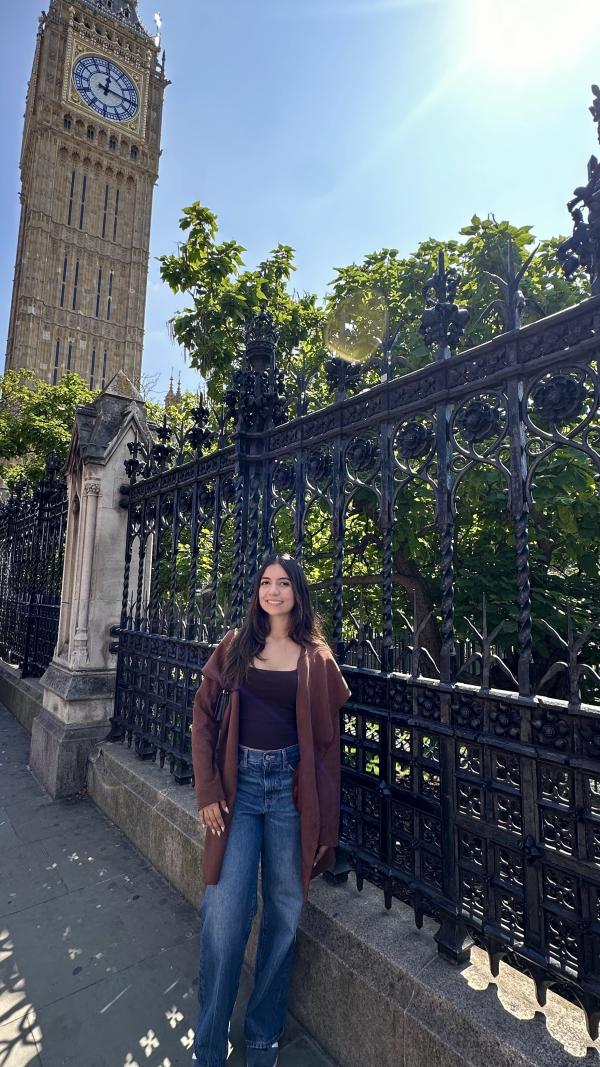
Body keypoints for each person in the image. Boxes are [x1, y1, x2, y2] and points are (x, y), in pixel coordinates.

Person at [191, 553, 351, 1067]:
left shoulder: (315, 657)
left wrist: (325, 821)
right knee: (223, 915)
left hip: (289, 794)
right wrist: (208, 789)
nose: (274, 591)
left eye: (284, 583)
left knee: (284, 914)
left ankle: (262, 1038)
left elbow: (327, 748)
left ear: (298, 594)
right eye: (266, 582)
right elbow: (201, 716)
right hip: (237, 792)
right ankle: (210, 1043)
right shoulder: (236, 647)